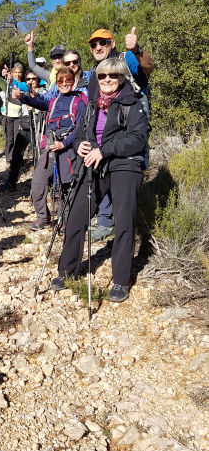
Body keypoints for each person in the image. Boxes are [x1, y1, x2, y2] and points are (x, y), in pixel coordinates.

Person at [50, 57, 149, 303]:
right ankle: (67, 272)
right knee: (75, 216)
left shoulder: (133, 103)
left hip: (125, 165)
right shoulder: (93, 104)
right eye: (102, 76)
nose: (107, 80)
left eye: (113, 76)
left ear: (122, 78)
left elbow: (138, 138)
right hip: (94, 163)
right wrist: (81, 145)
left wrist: (105, 149)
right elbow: (82, 132)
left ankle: (120, 281)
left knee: (124, 221)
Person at [87, 27, 154, 241]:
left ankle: (128, 224)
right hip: (102, 133)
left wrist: (137, 49)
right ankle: (106, 221)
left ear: (112, 43)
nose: (98, 47)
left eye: (103, 43)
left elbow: (148, 68)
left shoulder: (126, 59)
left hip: (128, 130)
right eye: (94, 44)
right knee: (101, 171)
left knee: (125, 176)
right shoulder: (93, 71)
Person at [12, 66, 86, 229]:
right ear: (57, 83)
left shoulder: (79, 102)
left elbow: (80, 130)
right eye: (60, 80)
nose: (64, 83)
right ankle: (42, 218)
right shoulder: (54, 101)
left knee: (66, 187)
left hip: (67, 149)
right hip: (49, 148)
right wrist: (22, 97)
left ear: (73, 82)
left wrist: (64, 143)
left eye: (68, 80)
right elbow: (39, 103)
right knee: (37, 183)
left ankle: (63, 220)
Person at [0, 61, 28, 171]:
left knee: (19, 139)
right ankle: (9, 160)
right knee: (9, 139)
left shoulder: (24, 85)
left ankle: (17, 160)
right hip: (8, 116)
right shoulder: (7, 84)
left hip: (19, 116)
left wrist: (11, 81)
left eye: (19, 72)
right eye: (15, 72)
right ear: (12, 72)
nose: (17, 74)